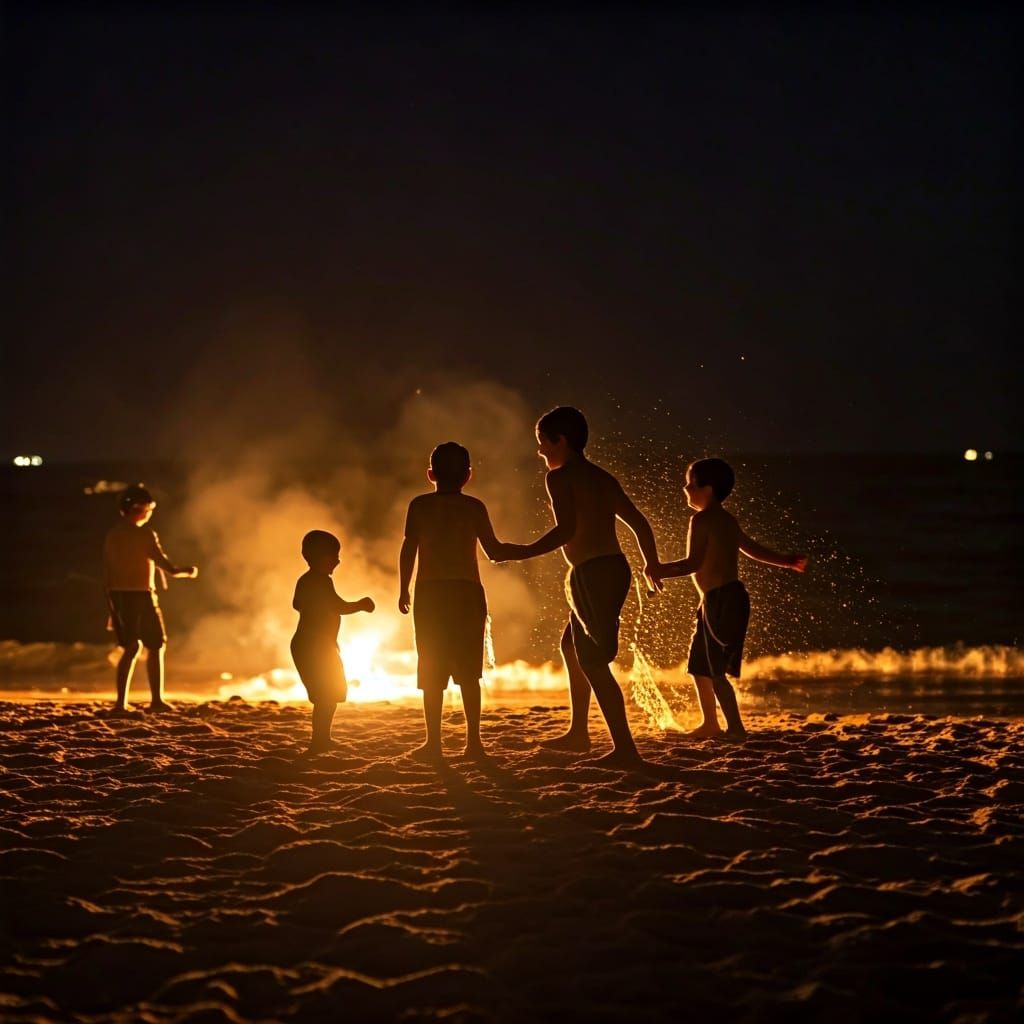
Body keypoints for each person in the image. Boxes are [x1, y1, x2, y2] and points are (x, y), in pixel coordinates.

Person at [497, 407, 662, 767]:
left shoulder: (560, 478)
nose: (540, 452)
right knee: (570, 646)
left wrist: (521, 552)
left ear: (562, 441)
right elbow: (640, 523)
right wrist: (652, 563)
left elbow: (566, 530)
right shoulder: (602, 477)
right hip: (613, 570)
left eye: (543, 443)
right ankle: (579, 734)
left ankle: (626, 750)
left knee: (592, 660)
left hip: (593, 574)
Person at [655, 458, 807, 740]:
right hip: (721, 600)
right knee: (698, 666)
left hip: (721, 601)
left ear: (707, 489)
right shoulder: (726, 519)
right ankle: (710, 723)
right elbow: (752, 549)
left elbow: (693, 563)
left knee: (714, 671)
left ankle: (735, 728)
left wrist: (657, 569)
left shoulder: (701, 519)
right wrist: (784, 561)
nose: (685, 488)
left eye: (691, 483)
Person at [399, 441, 507, 763]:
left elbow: (409, 549)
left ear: (431, 474)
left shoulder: (419, 505)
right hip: (466, 593)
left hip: (431, 594)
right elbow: (494, 550)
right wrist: (534, 548)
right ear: (468, 476)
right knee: (469, 672)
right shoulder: (474, 507)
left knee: (431, 671)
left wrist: (403, 588)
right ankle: (474, 742)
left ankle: (434, 743)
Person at [103, 483, 199, 714]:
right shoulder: (144, 533)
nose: (150, 512)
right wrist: (188, 571)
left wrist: (112, 608)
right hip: (142, 596)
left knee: (131, 647)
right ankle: (155, 700)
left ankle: (120, 703)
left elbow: (108, 573)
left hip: (119, 597)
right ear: (141, 508)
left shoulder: (114, 534)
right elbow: (165, 565)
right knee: (155, 645)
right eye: (149, 508)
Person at [290, 529, 374, 754]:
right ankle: (318, 741)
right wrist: (361, 605)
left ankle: (322, 738)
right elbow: (337, 606)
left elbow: (296, 604)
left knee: (329, 694)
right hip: (312, 645)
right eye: (332, 555)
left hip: (316, 644)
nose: (338, 560)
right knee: (326, 694)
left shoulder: (308, 581)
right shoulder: (319, 582)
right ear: (315, 557)